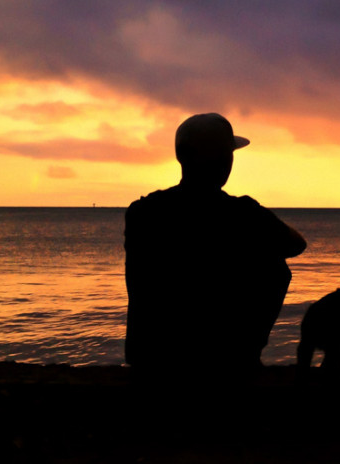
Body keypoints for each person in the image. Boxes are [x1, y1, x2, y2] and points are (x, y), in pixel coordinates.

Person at [124, 113, 306, 374]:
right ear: (224, 161)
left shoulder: (142, 213)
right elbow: (296, 245)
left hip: (150, 356)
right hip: (223, 356)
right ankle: (245, 355)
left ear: (181, 157)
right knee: (275, 267)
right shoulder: (243, 214)